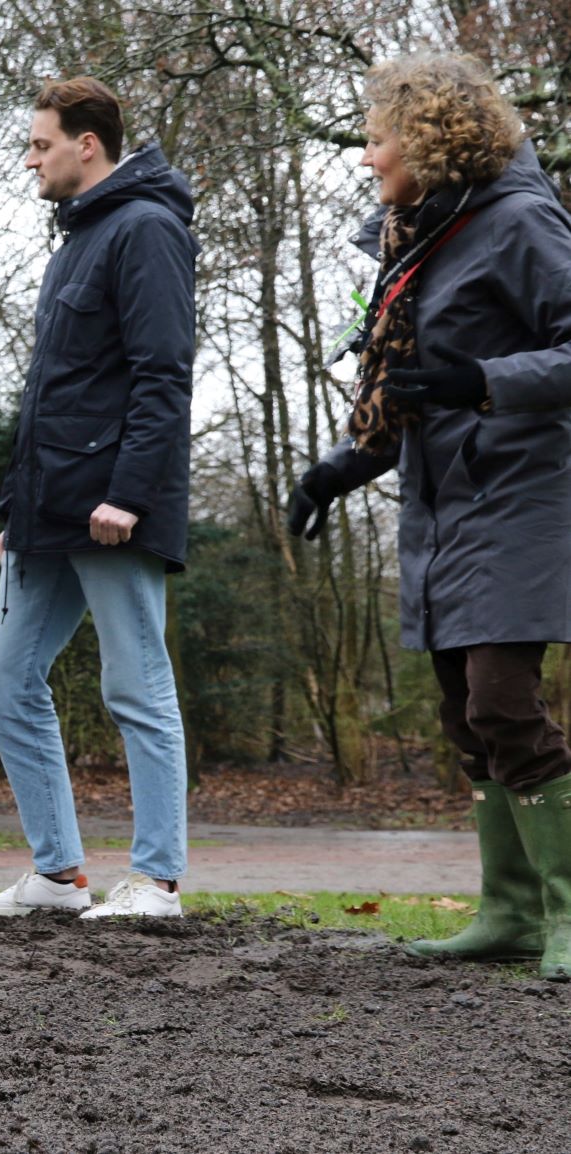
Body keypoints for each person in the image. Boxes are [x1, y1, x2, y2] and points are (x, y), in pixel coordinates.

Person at [287, 53, 571, 982]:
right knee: (461, 713)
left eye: (377, 140)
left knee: (502, 701)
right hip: (442, 504)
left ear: (431, 139)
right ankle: (510, 914)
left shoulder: (522, 221)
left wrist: (481, 381)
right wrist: (340, 468)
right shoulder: (417, 242)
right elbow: (406, 389)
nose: (367, 158)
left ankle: (566, 915)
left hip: (523, 494)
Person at [0, 77, 197, 922]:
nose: (29, 159)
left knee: (135, 684)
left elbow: (162, 375)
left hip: (111, 509)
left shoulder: (145, 228)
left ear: (85, 144)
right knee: (5, 680)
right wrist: (15, 512)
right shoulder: (79, 238)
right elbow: (56, 393)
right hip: (49, 509)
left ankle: (157, 880)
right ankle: (56, 875)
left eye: (38, 144)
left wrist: (128, 492)